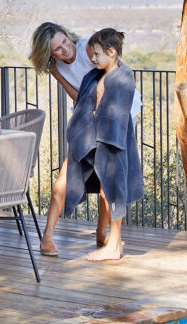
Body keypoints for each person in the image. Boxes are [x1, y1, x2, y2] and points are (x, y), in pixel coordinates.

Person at [29, 22, 141, 256]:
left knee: (107, 177)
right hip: (88, 120)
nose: (65, 50)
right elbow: (78, 96)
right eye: (57, 49)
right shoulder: (57, 66)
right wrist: (58, 75)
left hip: (116, 114)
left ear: (68, 36)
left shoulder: (88, 47)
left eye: (65, 42)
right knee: (67, 173)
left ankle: (104, 235)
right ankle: (47, 236)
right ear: (49, 54)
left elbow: (112, 65)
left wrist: (101, 86)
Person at [63, 28, 143, 261]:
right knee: (107, 192)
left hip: (113, 143)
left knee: (114, 191)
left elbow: (116, 114)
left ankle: (114, 245)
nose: (92, 59)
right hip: (100, 141)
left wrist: (102, 135)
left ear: (112, 52)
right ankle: (112, 243)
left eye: (96, 54)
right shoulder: (99, 74)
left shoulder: (121, 77)